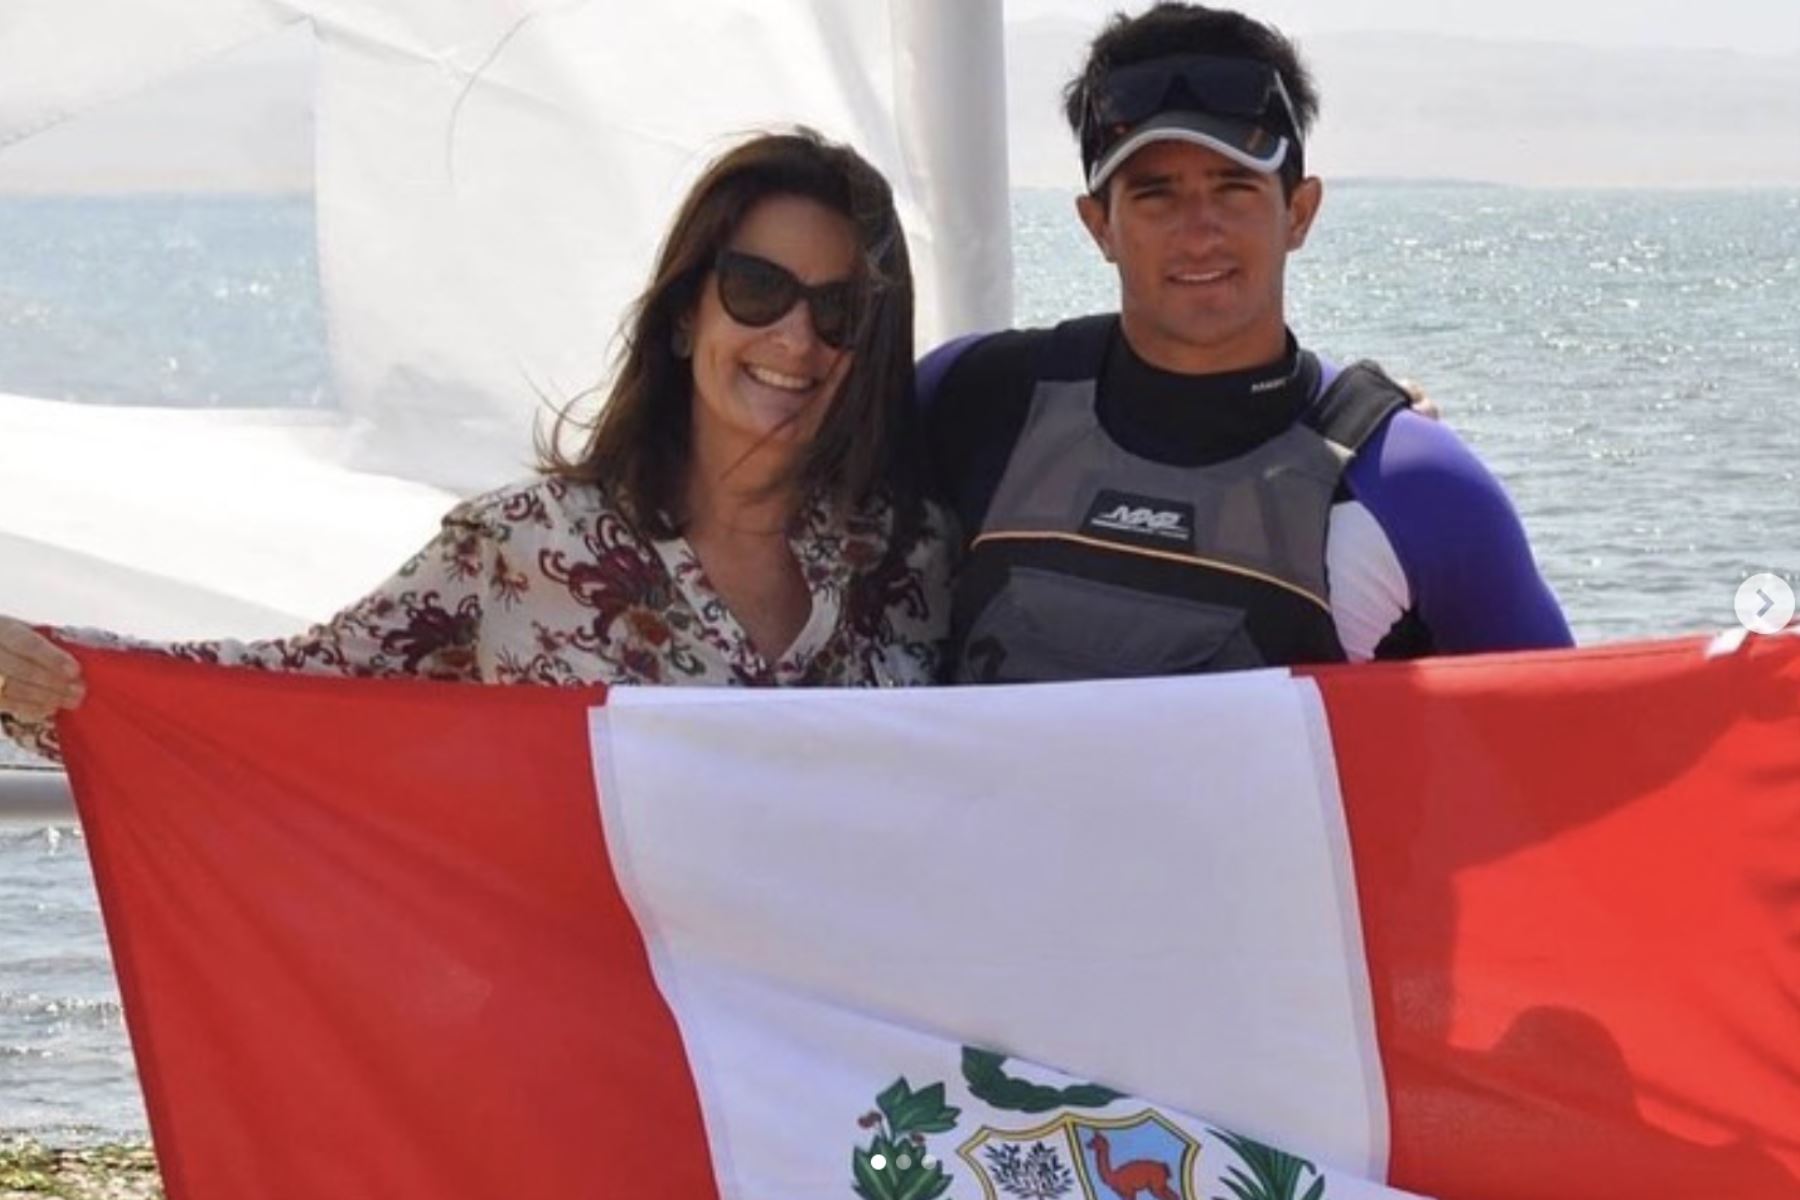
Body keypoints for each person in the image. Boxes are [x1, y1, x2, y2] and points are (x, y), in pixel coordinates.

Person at [0, 130, 954, 758]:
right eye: (757, 290)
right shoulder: (522, 549)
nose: (795, 339)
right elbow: (292, 697)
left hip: (837, 1063)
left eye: (838, 311)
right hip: (603, 1047)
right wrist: (47, 674)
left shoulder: (918, 564)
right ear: (682, 316)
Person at [921, 2, 1573, 684]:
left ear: (1299, 211)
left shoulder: (1411, 482)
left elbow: (1576, 741)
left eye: (1235, 188)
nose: (1200, 230)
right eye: (1155, 195)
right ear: (1098, 226)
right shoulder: (973, 398)